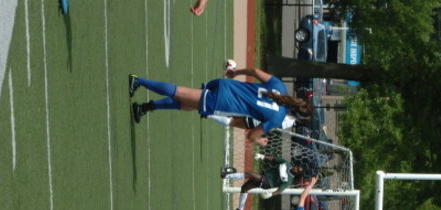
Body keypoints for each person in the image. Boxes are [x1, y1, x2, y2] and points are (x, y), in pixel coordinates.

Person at [128, 68, 312, 146]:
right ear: (295, 116)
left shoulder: (280, 87)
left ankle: (145, 107)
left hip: (224, 85)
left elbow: (255, 71)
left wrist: (236, 72)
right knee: (179, 92)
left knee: (187, 104)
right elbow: (251, 135)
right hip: (223, 101)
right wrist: (259, 141)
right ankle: (139, 81)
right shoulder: (277, 119)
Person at [223, 152, 305, 210]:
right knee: (245, 188)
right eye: (297, 167)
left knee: (250, 174)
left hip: (267, 183)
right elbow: (273, 159)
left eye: (297, 170)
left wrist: (271, 194)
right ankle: (240, 209)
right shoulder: (287, 163)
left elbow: (280, 190)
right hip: (264, 175)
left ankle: (226, 175)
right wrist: (262, 156)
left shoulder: (289, 180)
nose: (296, 169)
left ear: (297, 174)